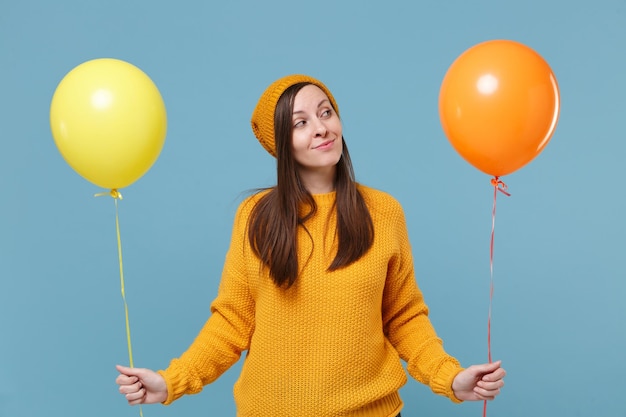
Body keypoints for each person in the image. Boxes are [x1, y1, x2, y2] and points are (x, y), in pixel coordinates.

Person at [115, 74, 506, 416]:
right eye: (300, 123)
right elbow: (232, 321)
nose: (320, 128)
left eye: (325, 113)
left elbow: (403, 317)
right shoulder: (255, 216)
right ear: (282, 145)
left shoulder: (384, 212)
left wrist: (450, 378)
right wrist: (172, 382)